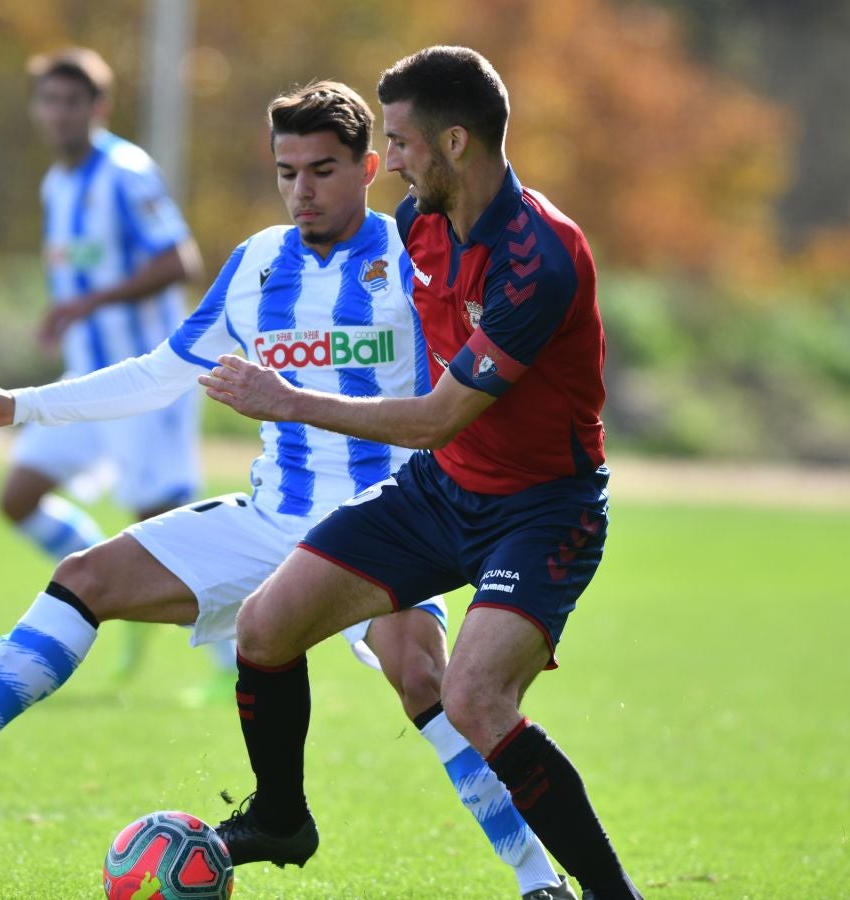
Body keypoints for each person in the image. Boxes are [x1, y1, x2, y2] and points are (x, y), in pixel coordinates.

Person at [0, 80, 575, 900]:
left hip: (386, 526)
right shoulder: (256, 264)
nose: (302, 190)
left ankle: (538, 879)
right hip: (272, 519)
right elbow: (159, 374)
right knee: (85, 578)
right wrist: (22, 405)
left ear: (368, 169)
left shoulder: (415, 258)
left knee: (424, 680)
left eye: (322, 171)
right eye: (286, 172)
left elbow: (470, 377)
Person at [199, 48, 642, 900]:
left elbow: (440, 415)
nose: (391, 161)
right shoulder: (419, 223)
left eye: (399, 142)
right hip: (440, 492)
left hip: (543, 511)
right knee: (264, 628)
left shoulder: (539, 258)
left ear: (455, 141)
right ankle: (281, 817)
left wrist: (287, 400)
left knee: (474, 699)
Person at [7, 46, 223, 686]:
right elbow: (80, 270)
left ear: (98, 108)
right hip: (84, 382)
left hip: (144, 383)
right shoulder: (56, 184)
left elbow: (179, 261)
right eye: (49, 100)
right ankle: (115, 590)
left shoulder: (126, 172)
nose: (59, 113)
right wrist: (64, 314)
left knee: (157, 527)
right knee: (18, 498)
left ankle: (232, 660)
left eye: (72, 101)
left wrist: (89, 303)